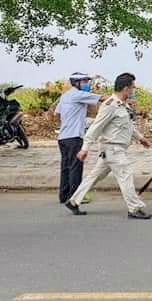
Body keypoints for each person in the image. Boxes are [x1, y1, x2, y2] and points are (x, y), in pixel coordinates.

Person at [65, 73, 152, 219]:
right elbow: (95, 127)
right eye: (133, 88)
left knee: (94, 177)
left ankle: (73, 201)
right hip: (114, 149)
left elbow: (128, 126)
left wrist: (141, 139)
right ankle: (134, 208)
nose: (134, 90)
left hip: (112, 150)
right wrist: (85, 148)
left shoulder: (122, 106)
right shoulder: (110, 105)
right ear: (125, 89)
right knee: (126, 176)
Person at [54, 73, 102, 204]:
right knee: (76, 167)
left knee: (65, 167)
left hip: (63, 137)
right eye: (85, 81)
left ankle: (63, 195)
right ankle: (74, 197)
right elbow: (102, 98)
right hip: (74, 137)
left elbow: (57, 114)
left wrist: (67, 123)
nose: (87, 84)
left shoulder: (65, 96)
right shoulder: (79, 95)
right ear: (77, 83)